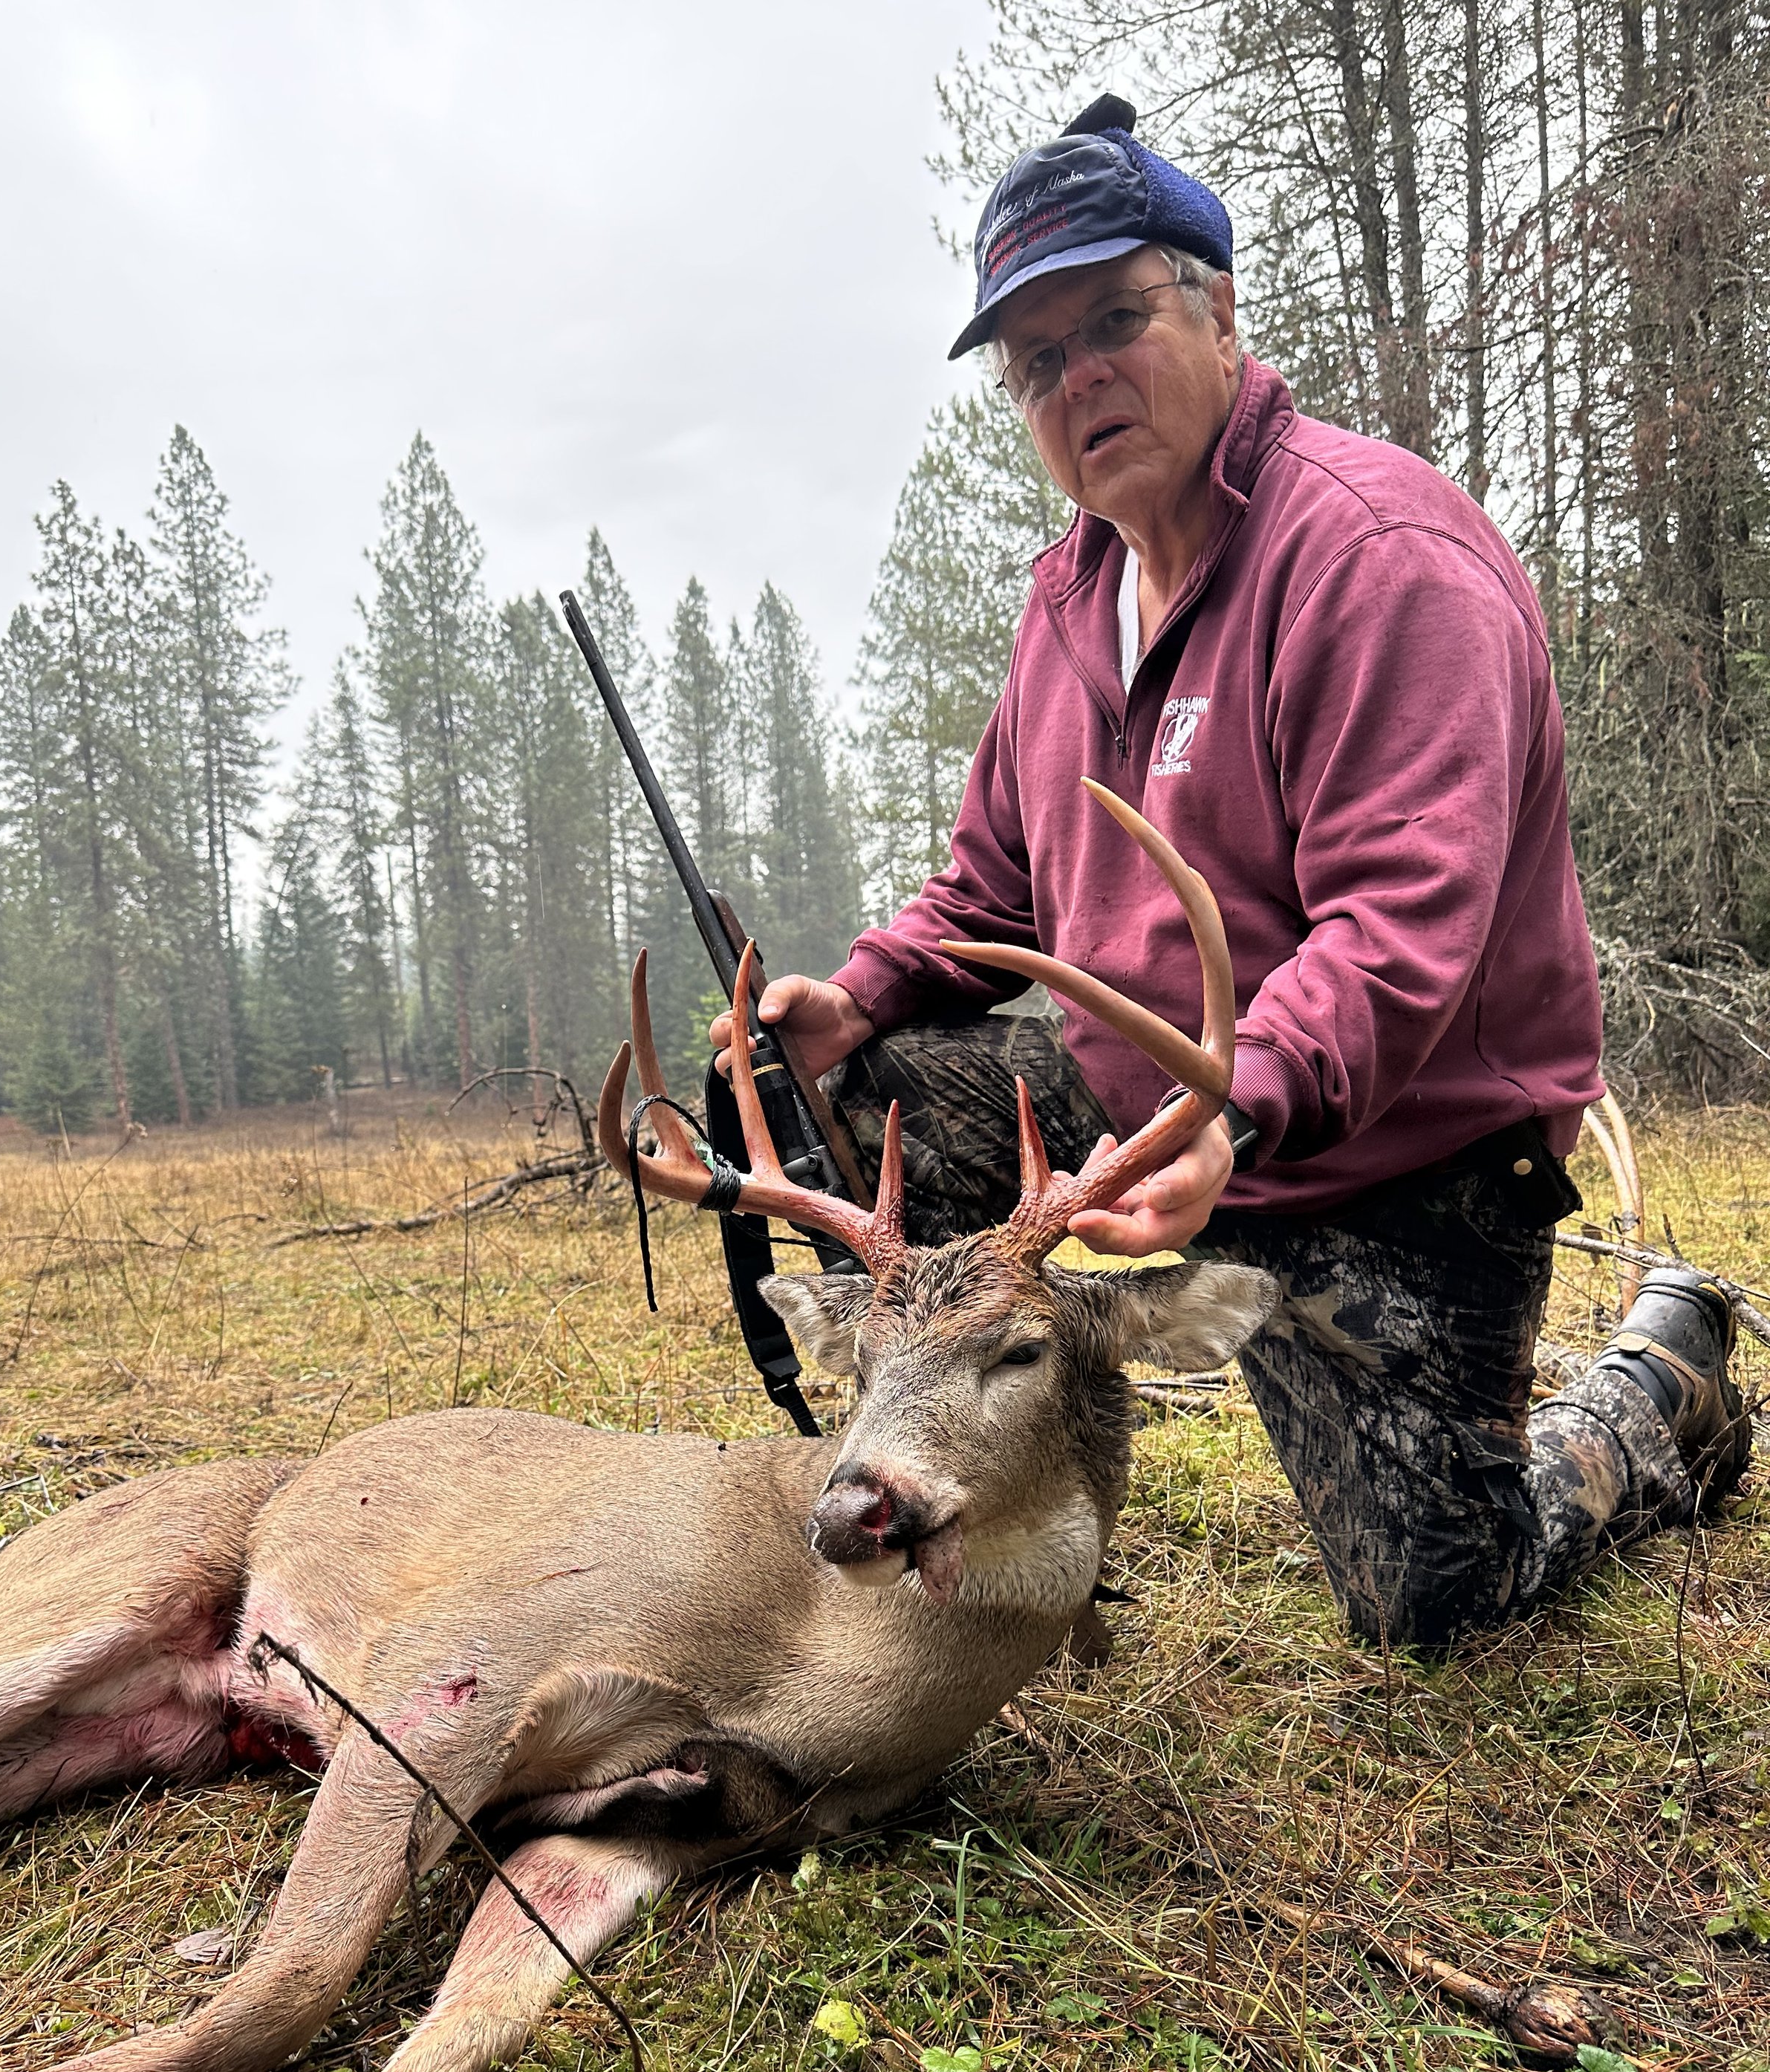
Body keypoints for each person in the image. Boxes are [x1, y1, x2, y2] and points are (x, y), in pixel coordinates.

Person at [712, 95, 1751, 1649]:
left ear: (1215, 310)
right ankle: (999, 1505)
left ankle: (1652, 1379)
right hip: (1146, 1127)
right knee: (845, 1097)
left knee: (1435, 1600)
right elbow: (989, 892)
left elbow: (1400, 933)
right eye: (1037, 361)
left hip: (1398, 1159)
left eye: (1113, 320)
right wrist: (849, 997)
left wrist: (1232, 1105)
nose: (1080, 379)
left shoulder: (1378, 558)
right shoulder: (1064, 602)